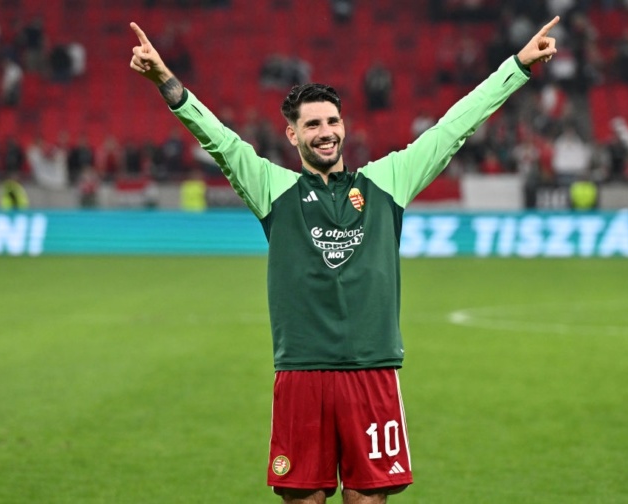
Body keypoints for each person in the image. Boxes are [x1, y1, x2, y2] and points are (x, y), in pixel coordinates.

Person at [129, 16, 559, 504]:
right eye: (312, 124)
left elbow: (454, 128)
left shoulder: (386, 181)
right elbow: (219, 141)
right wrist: (165, 80)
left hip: (372, 370)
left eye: (332, 121)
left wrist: (517, 67)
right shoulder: (274, 188)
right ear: (293, 135)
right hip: (301, 371)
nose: (325, 132)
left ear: (344, 126)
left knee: (367, 498)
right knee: (304, 499)